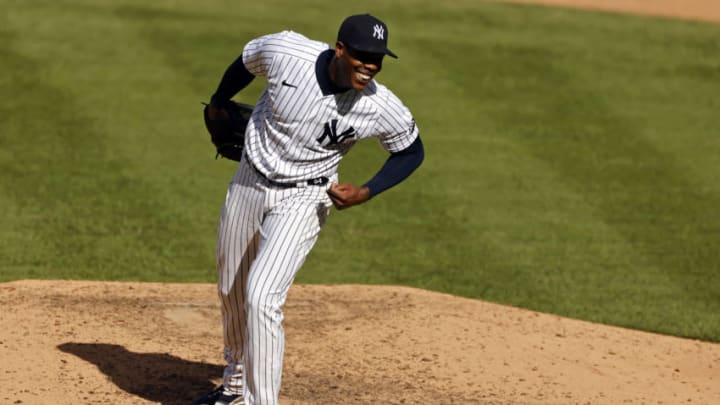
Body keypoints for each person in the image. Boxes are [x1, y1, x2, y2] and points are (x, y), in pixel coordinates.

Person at [193, 13, 425, 405]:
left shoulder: (378, 105)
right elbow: (248, 61)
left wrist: (367, 191)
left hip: (305, 198)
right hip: (248, 183)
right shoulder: (286, 52)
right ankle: (234, 385)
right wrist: (219, 100)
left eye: (378, 58)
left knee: (263, 295)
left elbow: (411, 151)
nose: (370, 65)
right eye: (362, 55)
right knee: (232, 290)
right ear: (339, 49)